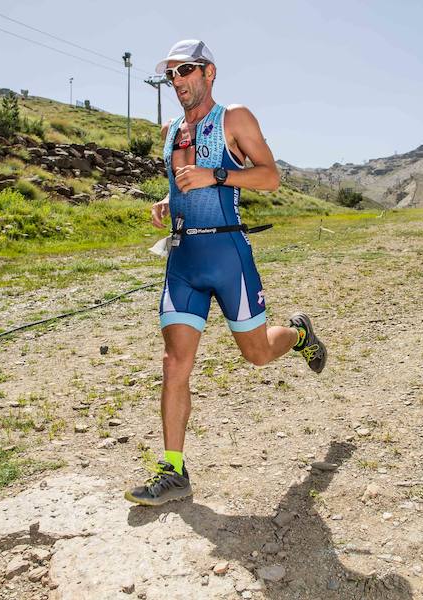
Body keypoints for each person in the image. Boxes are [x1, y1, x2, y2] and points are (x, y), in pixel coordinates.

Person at [125, 40, 328, 507]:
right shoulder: (171, 129)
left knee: (256, 354)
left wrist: (215, 176)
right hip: (183, 259)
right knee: (174, 363)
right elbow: (182, 182)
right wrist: (167, 200)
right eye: (171, 74)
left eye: (186, 70)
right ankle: (173, 471)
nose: (178, 81)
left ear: (209, 72)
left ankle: (298, 334)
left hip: (227, 252)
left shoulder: (234, 118)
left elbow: (270, 176)